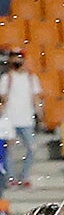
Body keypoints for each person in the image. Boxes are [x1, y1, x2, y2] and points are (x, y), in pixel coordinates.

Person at [0, 48, 42, 184]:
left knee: (32, 148)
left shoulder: (31, 78)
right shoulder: (6, 78)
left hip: (26, 119)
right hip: (10, 119)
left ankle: (24, 176)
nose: (16, 60)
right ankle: (11, 178)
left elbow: (36, 98)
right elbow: (3, 99)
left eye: (19, 57)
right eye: (14, 57)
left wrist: (40, 114)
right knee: (8, 150)